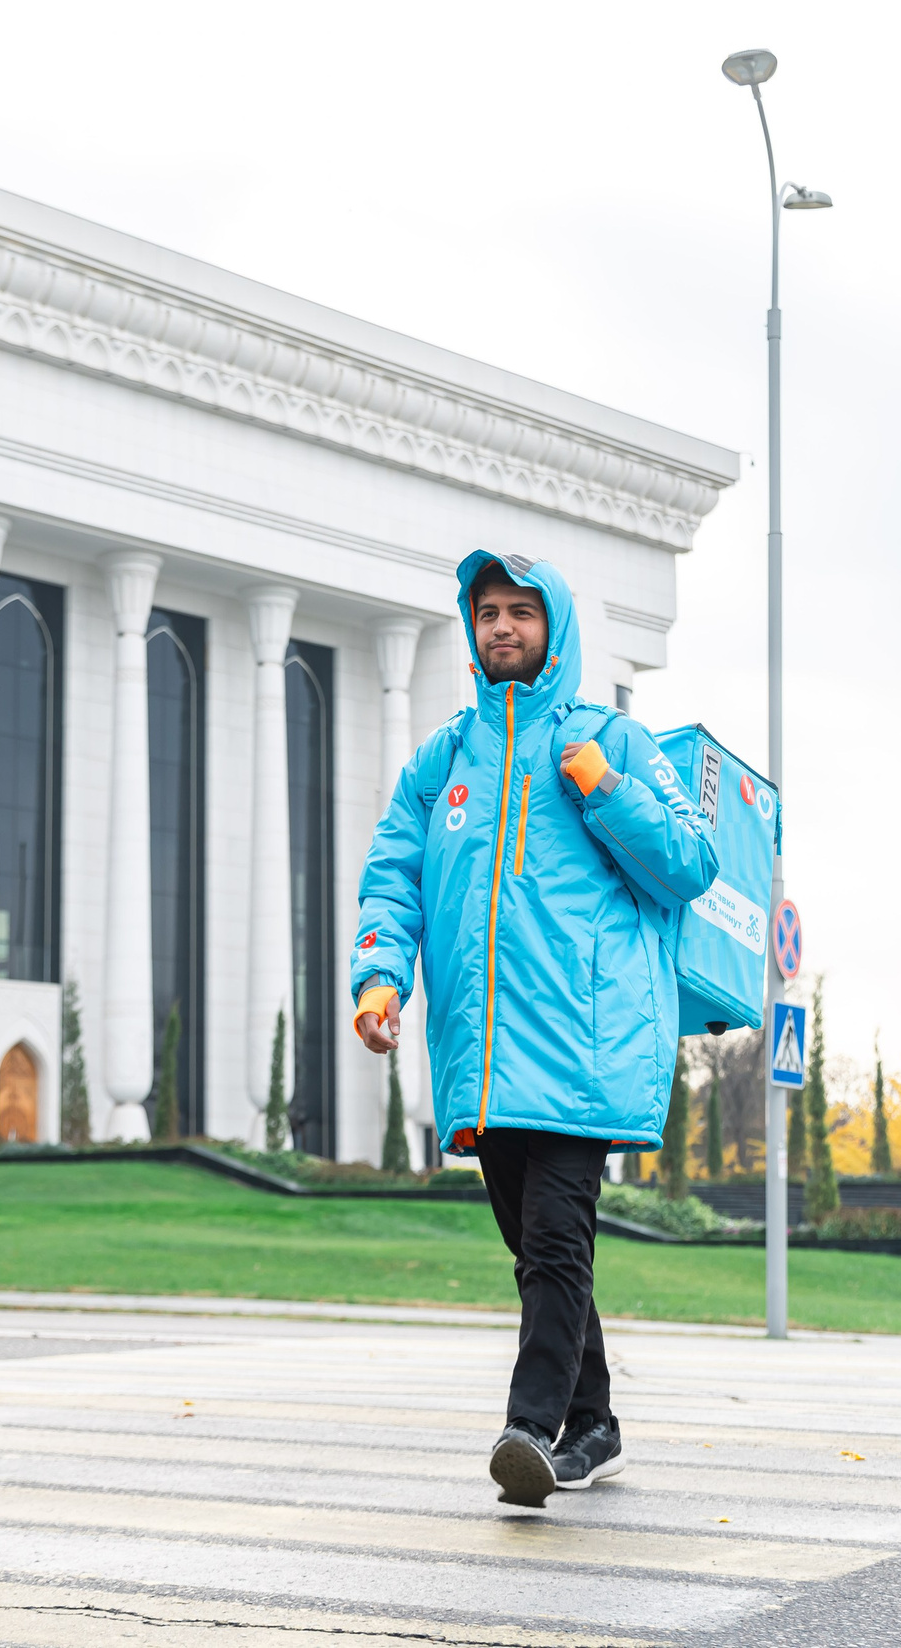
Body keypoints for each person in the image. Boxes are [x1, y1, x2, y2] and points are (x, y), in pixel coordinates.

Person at [350, 551, 717, 1507]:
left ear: (556, 627)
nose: (502, 627)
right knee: (540, 1252)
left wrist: (605, 788)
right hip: (481, 1056)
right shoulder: (441, 763)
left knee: (556, 1243)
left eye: (521, 612)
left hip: (586, 1046)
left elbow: (690, 863)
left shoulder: (610, 743)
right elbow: (395, 879)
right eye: (487, 614)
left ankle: (529, 1429)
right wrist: (381, 979)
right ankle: (594, 1427)